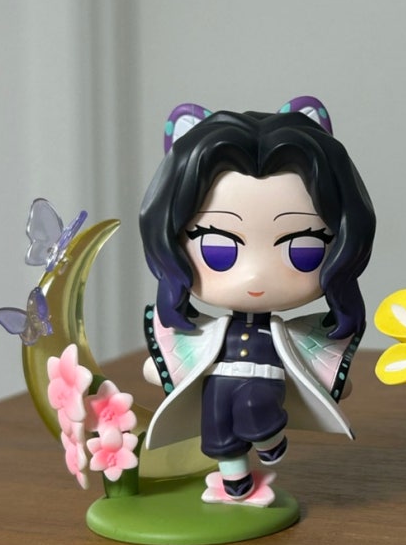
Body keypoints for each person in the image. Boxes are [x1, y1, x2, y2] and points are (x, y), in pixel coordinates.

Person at [139, 98, 375, 506]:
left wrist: (331, 381)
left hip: (265, 380)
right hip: (217, 380)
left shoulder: (285, 333)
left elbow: (315, 362)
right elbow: (181, 353)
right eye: (218, 249)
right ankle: (235, 482)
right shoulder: (210, 330)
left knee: (255, 406)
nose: (255, 277)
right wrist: (161, 367)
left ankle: (269, 438)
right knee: (216, 430)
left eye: (302, 248)